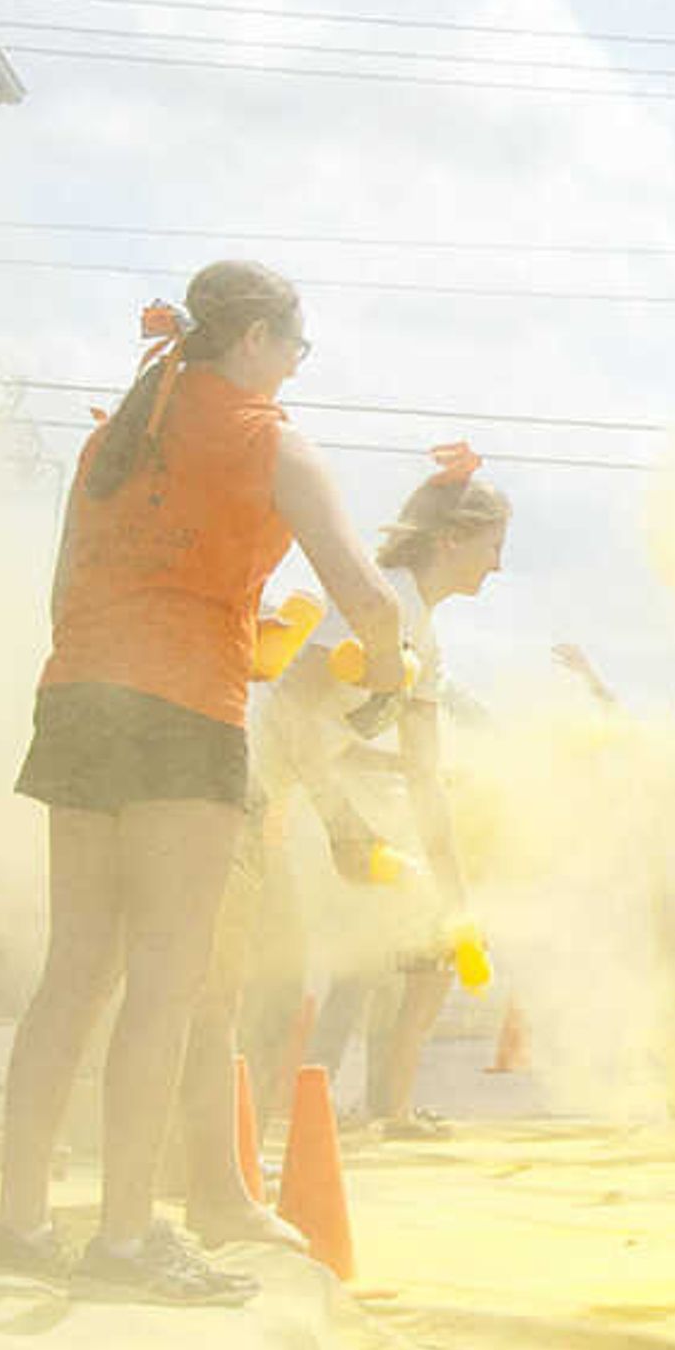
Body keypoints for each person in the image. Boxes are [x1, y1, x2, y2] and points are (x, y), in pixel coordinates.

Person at [0, 265, 405, 1303]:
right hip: (182, 714)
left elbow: (61, 589)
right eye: (298, 347)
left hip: (79, 696)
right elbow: (367, 597)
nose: (299, 367)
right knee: (166, 983)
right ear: (258, 338)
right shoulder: (272, 440)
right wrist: (390, 680)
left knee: (73, 969)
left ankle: (19, 1221)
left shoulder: (112, 438)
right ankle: (127, 1238)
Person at [286, 446, 510, 1138]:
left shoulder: (426, 638)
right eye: (493, 546)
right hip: (276, 799)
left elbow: (424, 777)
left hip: (333, 806)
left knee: (429, 935)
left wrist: (457, 895)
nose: (498, 564)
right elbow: (287, 714)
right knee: (280, 980)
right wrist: (339, 822)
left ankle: (388, 1110)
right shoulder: (382, 603)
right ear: (450, 539)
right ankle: (287, 1123)